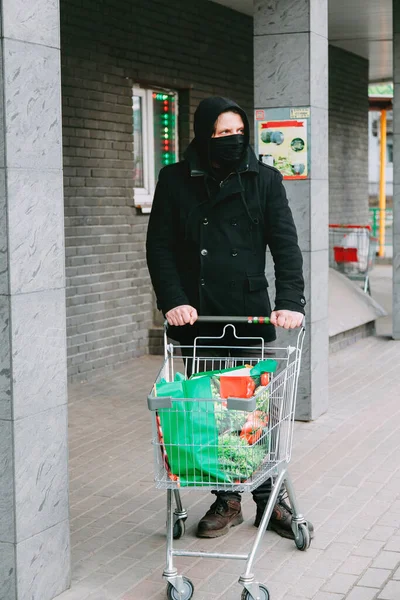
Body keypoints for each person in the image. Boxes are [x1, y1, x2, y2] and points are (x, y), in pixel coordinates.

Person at [146, 96, 313, 540]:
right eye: (221, 133)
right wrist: (173, 300)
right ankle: (227, 499)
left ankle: (268, 498)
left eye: (238, 131)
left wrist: (291, 301)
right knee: (209, 409)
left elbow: (285, 246)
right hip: (196, 319)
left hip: (248, 317)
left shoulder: (265, 180)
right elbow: (159, 247)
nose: (232, 140)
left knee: (253, 407)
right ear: (203, 135)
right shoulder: (175, 180)